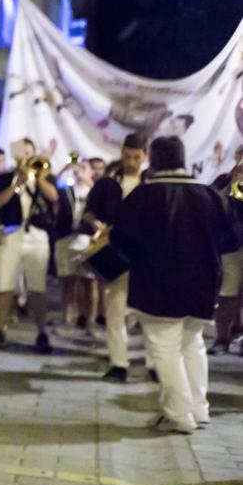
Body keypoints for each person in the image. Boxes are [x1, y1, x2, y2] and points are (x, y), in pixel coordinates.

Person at [112, 136, 240, 433]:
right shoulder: (209, 195)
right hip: (204, 283)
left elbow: (121, 240)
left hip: (158, 284)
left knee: (165, 348)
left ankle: (179, 414)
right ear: (182, 158)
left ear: (153, 161)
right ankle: (199, 408)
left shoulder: (145, 196)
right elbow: (233, 238)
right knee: (192, 344)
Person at [0, 138, 59, 353]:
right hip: (12, 234)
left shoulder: (44, 176)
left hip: (37, 235)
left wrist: (38, 179)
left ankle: (41, 332)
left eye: (30, 153)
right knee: (5, 283)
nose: (27, 157)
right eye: (23, 154)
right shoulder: (6, 178)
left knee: (37, 286)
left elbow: (54, 197)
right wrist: (16, 186)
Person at [86, 133, 146, 381]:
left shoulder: (151, 184)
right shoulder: (108, 183)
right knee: (115, 309)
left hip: (145, 254)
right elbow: (88, 212)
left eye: (136, 157)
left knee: (148, 313)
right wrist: (97, 224)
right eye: (128, 156)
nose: (131, 161)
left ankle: (153, 364)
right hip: (116, 251)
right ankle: (118, 363)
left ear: (144, 156)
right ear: (121, 153)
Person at [53, 157, 97, 331]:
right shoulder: (67, 190)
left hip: (88, 240)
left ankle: (90, 321)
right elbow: (53, 188)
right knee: (68, 281)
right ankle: (67, 318)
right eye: (78, 168)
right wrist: (65, 168)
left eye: (84, 168)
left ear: (91, 172)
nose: (79, 171)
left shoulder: (95, 192)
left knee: (89, 281)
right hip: (66, 239)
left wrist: (91, 183)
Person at [208, 158, 243, 354]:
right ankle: (222, 338)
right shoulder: (224, 181)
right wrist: (232, 185)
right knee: (227, 293)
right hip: (230, 246)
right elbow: (212, 205)